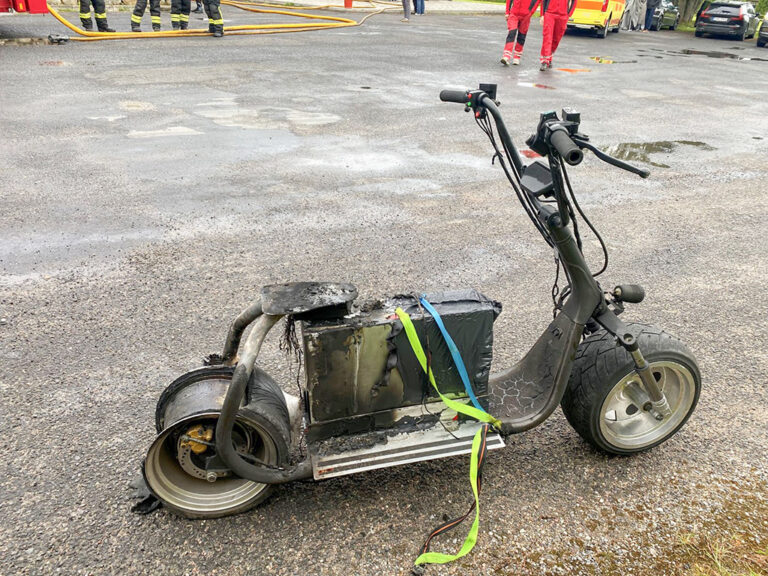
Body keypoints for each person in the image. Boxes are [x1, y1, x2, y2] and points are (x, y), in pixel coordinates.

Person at [501, 0, 541, 66]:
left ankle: (517, 56)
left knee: (522, 35)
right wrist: (507, 12)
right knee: (511, 33)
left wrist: (530, 12)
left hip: (526, 15)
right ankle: (506, 56)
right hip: (514, 14)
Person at [539, 0, 576, 71]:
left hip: (563, 15)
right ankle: (544, 61)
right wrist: (542, 15)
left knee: (556, 39)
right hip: (549, 13)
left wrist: (569, 14)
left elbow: (574, 2)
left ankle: (549, 56)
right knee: (547, 37)